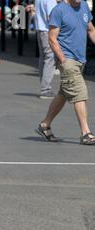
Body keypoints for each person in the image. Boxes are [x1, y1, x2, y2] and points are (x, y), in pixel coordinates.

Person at [35, 0, 95, 145]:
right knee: (80, 93)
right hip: (67, 60)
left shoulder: (84, 6)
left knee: (64, 93)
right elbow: (52, 38)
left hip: (80, 59)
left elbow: (91, 29)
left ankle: (45, 124)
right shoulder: (59, 10)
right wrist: (63, 60)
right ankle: (86, 133)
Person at [34, 0, 57, 99]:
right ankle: (46, 89)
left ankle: (44, 86)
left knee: (43, 57)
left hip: (40, 29)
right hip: (48, 31)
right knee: (50, 58)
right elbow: (51, 17)